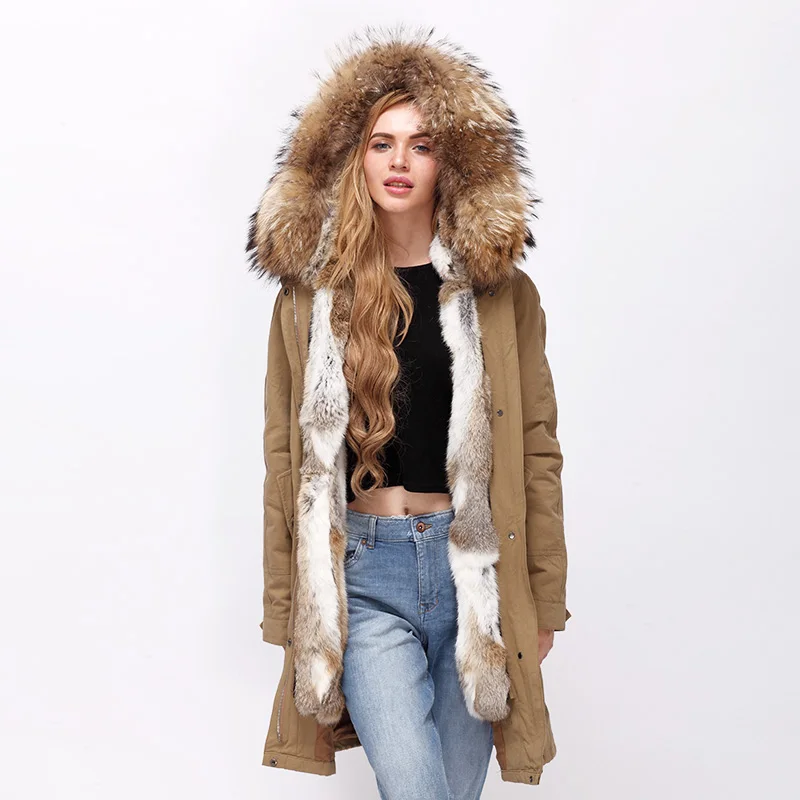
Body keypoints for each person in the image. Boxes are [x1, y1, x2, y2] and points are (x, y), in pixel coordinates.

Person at [246, 25, 571, 797]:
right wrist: (287, 603)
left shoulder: (503, 296)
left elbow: (536, 448)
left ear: (448, 162)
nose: (399, 162)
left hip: (474, 576)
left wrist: (544, 599)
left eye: (420, 145)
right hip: (365, 575)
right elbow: (285, 456)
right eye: (381, 143)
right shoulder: (309, 297)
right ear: (353, 157)